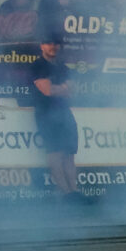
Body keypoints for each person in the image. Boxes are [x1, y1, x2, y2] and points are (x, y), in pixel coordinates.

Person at [29, 35, 80, 199]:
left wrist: (60, 89)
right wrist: (63, 88)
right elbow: (47, 91)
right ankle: (65, 193)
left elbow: (73, 89)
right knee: (55, 153)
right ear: (42, 46)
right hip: (46, 113)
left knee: (69, 153)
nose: (53, 46)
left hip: (65, 112)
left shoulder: (63, 67)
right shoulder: (38, 65)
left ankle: (74, 191)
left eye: (56, 43)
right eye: (49, 43)